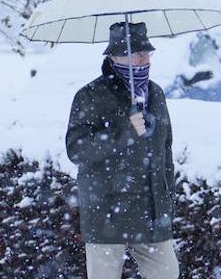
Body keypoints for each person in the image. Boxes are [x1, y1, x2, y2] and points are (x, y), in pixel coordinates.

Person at [65, 21, 180, 279]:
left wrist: (166, 198)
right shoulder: (90, 95)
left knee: (167, 274)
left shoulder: (155, 94)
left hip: (150, 211)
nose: (145, 59)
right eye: (138, 53)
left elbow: (166, 151)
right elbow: (77, 149)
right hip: (107, 211)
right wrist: (123, 132)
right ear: (116, 56)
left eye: (147, 53)